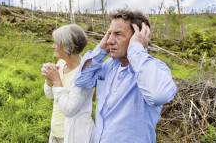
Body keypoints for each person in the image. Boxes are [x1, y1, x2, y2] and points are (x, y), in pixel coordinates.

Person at [74, 10, 177, 143]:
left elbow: (158, 95)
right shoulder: (110, 65)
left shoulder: (155, 68)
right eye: (109, 34)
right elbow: (82, 81)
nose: (110, 41)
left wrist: (136, 49)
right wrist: (100, 50)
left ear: (138, 38)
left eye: (118, 34)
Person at [42, 24, 95, 143]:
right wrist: (49, 80)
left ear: (70, 47)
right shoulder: (61, 63)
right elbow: (50, 95)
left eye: (56, 43)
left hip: (74, 136)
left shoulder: (84, 73)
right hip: (56, 134)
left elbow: (69, 109)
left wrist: (56, 80)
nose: (53, 46)